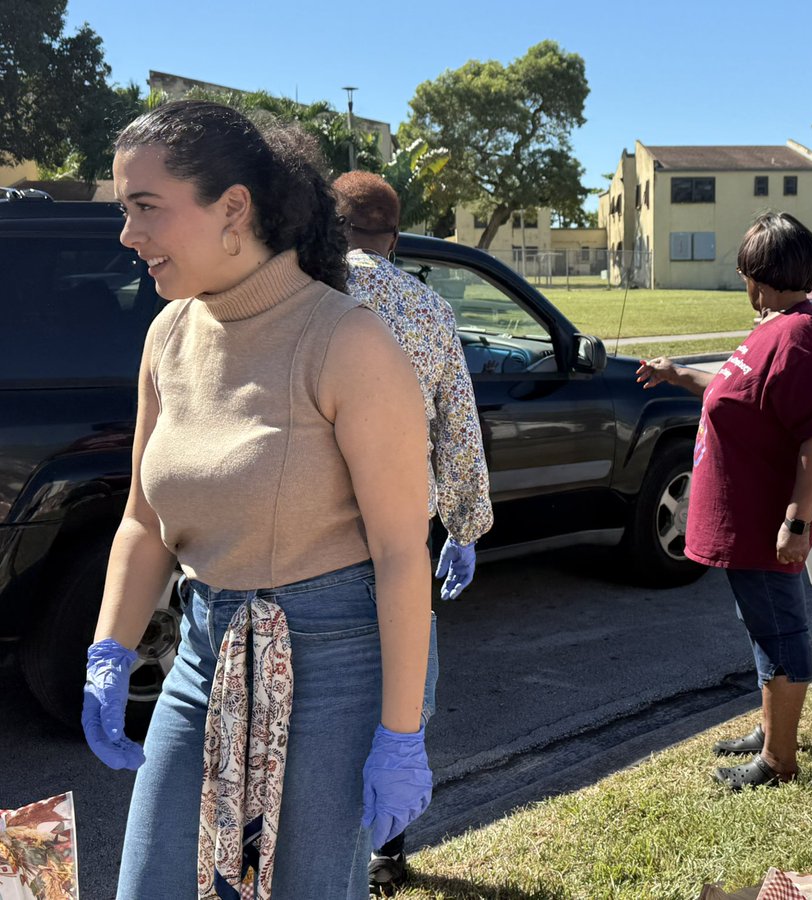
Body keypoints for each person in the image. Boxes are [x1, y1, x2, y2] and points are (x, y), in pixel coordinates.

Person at [82, 100, 434, 899]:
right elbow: (142, 519)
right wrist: (110, 650)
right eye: (124, 209)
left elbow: (399, 553)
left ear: (233, 207)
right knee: (152, 885)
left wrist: (401, 734)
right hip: (202, 651)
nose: (127, 234)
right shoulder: (169, 335)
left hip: (335, 666)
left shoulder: (347, 341)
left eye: (145, 208)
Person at [636, 212, 812, 790]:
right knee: (760, 622)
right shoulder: (772, 326)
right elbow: (738, 391)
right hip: (743, 520)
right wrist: (678, 374)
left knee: (779, 627)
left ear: (759, 273)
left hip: (765, 520)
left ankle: (779, 761)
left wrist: (796, 523)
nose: (742, 279)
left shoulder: (802, 336)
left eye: (745, 269)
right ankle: (770, 730)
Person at [332, 170, 493, 886]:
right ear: (393, 237)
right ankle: (385, 847)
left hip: (304, 539)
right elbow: (458, 430)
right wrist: (465, 526)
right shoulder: (425, 308)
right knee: (402, 693)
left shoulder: (296, 296)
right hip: (402, 533)